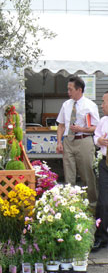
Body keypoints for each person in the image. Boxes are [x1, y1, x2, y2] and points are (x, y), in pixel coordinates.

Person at [56, 76, 99, 206]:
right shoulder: (66, 104)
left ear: (79, 90)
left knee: (87, 175)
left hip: (84, 141)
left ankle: (92, 203)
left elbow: (96, 127)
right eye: (68, 89)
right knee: (69, 175)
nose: (68, 92)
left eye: (70, 89)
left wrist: (81, 129)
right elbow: (61, 125)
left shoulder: (90, 105)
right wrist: (59, 142)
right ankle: (70, 205)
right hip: (68, 141)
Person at [91, 91, 108, 251]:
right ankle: (101, 237)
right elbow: (96, 138)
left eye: (104, 102)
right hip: (105, 163)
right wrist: (99, 140)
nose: (101, 105)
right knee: (103, 201)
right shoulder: (103, 120)